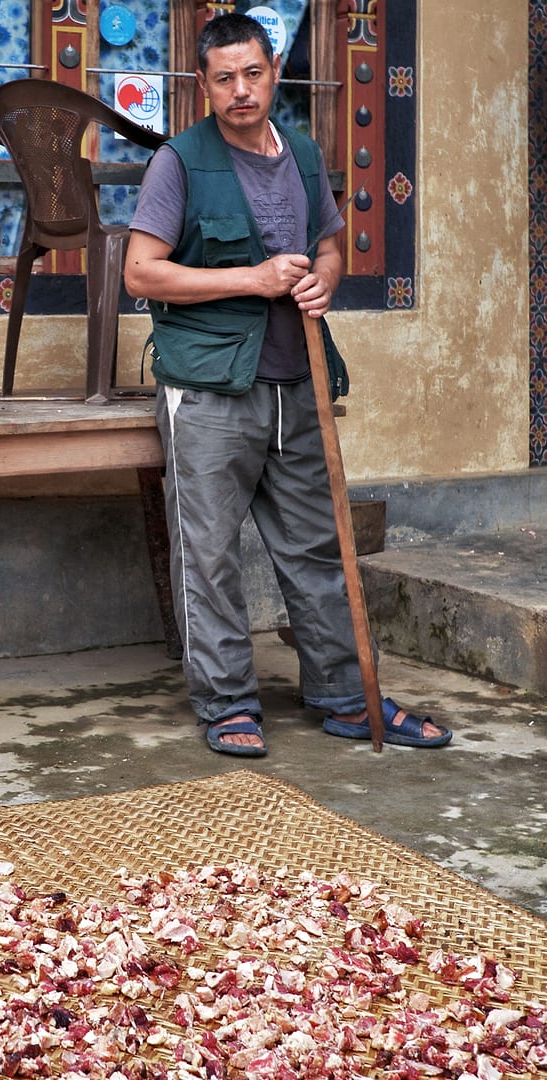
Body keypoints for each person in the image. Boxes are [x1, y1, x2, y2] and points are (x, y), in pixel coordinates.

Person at [122, 13, 450, 757]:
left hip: (294, 379)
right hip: (210, 389)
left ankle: (342, 694)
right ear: (202, 86)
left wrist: (322, 282)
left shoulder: (302, 154)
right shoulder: (180, 161)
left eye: (253, 73)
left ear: (275, 72)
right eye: (224, 78)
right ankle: (227, 702)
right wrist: (255, 278)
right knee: (208, 554)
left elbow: (330, 247)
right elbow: (141, 270)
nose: (241, 90)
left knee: (317, 548)